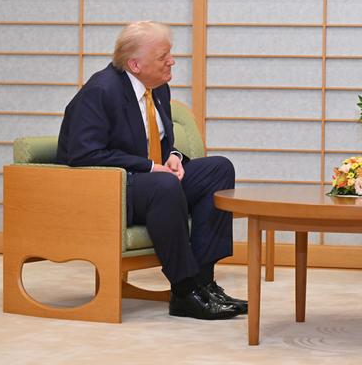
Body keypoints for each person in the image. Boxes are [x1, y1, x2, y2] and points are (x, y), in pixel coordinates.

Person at [57, 21, 245, 320]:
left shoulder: (157, 88)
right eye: (163, 56)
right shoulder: (100, 91)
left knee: (218, 169)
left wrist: (172, 157)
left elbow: (162, 141)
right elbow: (84, 153)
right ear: (134, 64)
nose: (171, 61)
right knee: (164, 185)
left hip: (149, 184)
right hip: (112, 189)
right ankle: (184, 292)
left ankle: (203, 283)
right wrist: (150, 167)